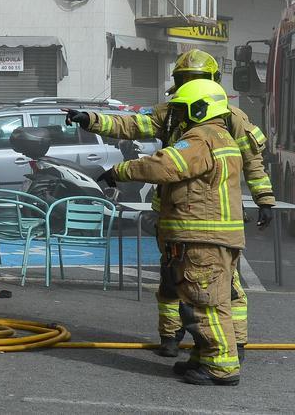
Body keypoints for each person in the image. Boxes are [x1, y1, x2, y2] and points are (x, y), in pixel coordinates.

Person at [65, 49, 273, 359]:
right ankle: (172, 336)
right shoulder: (175, 112)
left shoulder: (231, 119)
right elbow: (133, 125)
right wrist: (92, 120)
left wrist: (264, 198)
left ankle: (231, 346)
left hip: (212, 218)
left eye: (196, 80)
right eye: (185, 80)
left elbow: (252, 162)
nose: (190, 87)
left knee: (224, 286)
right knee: (171, 280)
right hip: (175, 215)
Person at [98, 79, 245, 386]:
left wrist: (119, 172)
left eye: (181, 109)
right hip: (212, 237)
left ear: (199, 108)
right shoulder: (220, 136)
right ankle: (204, 356)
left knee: (206, 303)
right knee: (201, 300)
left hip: (201, 238)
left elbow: (164, 166)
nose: (176, 116)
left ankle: (221, 366)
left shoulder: (200, 138)